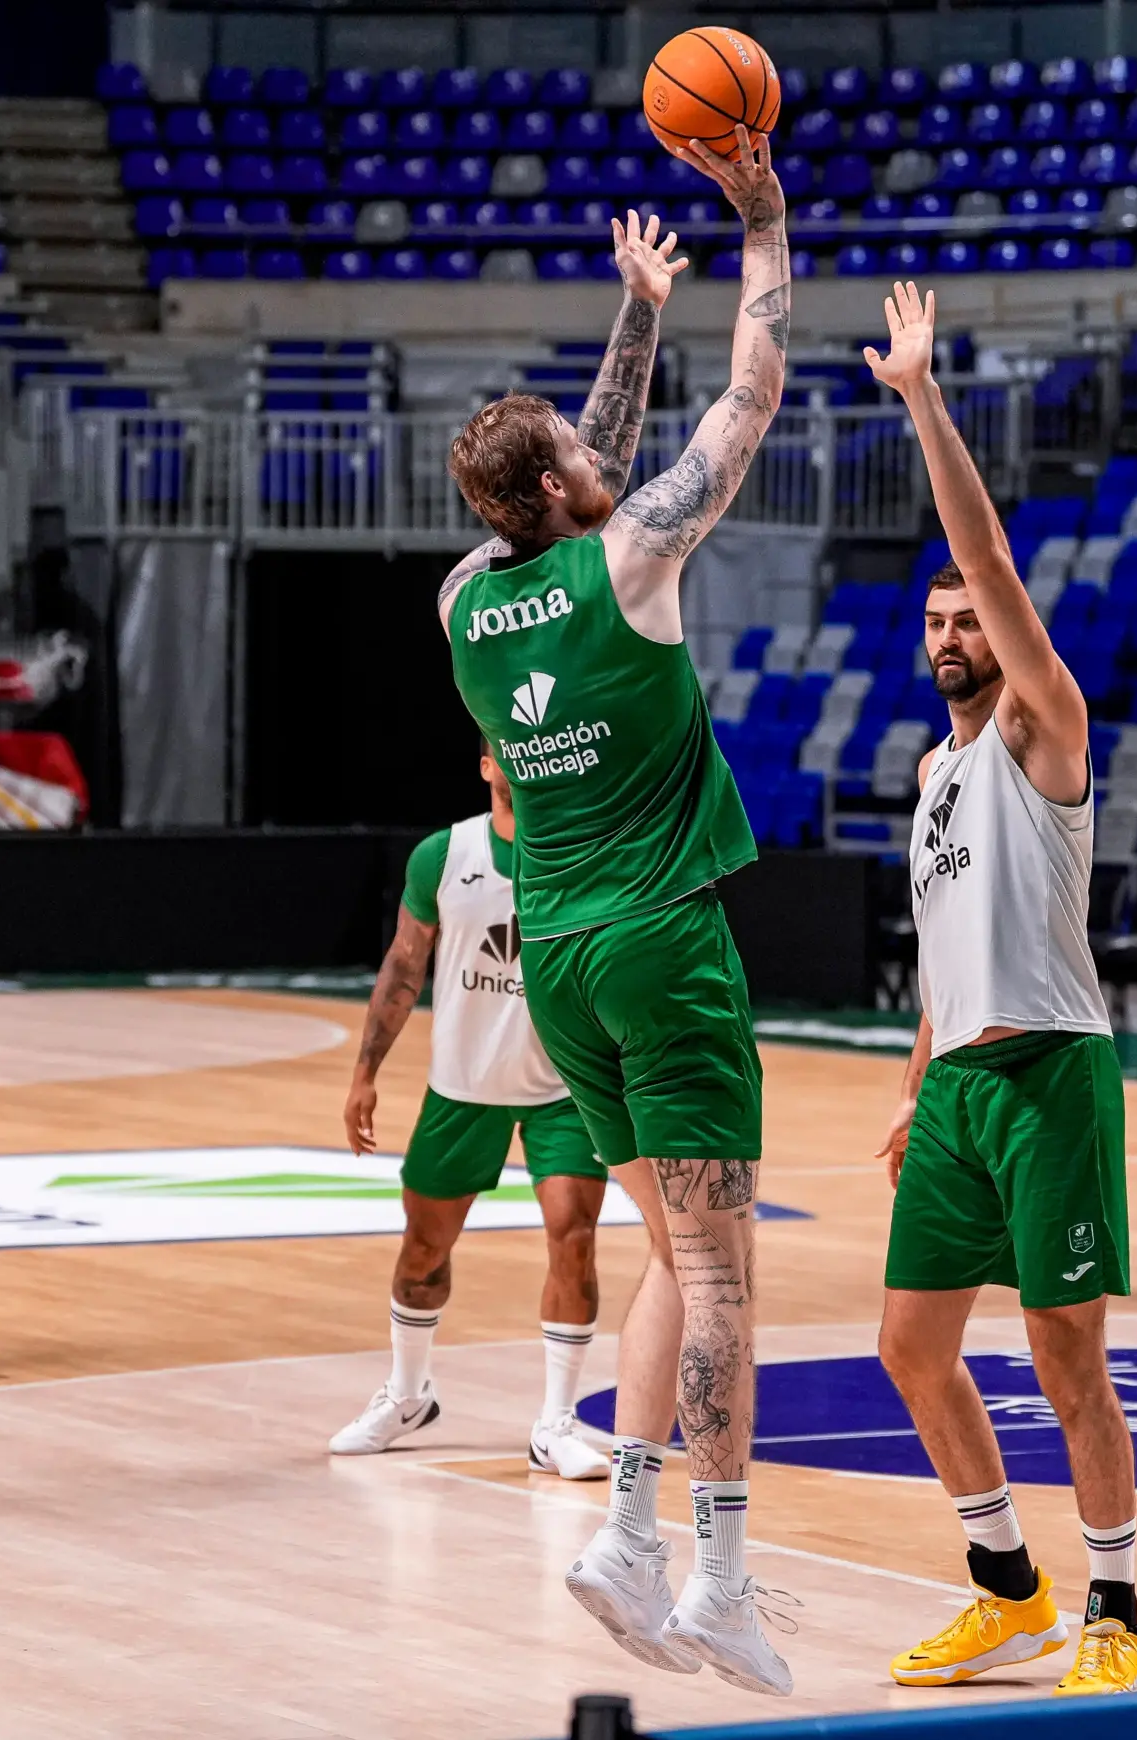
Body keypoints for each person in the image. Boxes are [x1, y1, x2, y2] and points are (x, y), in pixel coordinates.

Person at [440, 162, 792, 1694]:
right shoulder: (633, 554)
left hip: (561, 962)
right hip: (661, 939)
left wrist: (637, 311)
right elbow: (754, 393)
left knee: (670, 1254)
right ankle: (717, 1575)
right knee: (725, 1279)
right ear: (565, 495)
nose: (604, 458)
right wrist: (760, 226)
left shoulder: (463, 598)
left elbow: (585, 472)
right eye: (584, 458)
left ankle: (628, 1540)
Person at [866, 283, 1137, 1699]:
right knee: (911, 1348)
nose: (950, 633)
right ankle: (1007, 1588)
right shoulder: (929, 777)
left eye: (967, 615)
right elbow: (941, 949)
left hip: (1054, 1076)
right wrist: (919, 1087)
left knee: (1062, 1357)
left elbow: (983, 546)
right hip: (965, 1083)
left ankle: (1114, 1603)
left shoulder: (1050, 730)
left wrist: (921, 398)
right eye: (934, 621)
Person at [329, 744, 613, 1482]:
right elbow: (402, 965)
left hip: (564, 1087)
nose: (516, 768)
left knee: (573, 1235)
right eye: (502, 756)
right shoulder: (441, 855)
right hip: (462, 1084)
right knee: (423, 1253)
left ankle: (555, 1422)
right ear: (486, 765)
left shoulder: (582, 853)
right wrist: (365, 1073)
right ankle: (407, 1393)